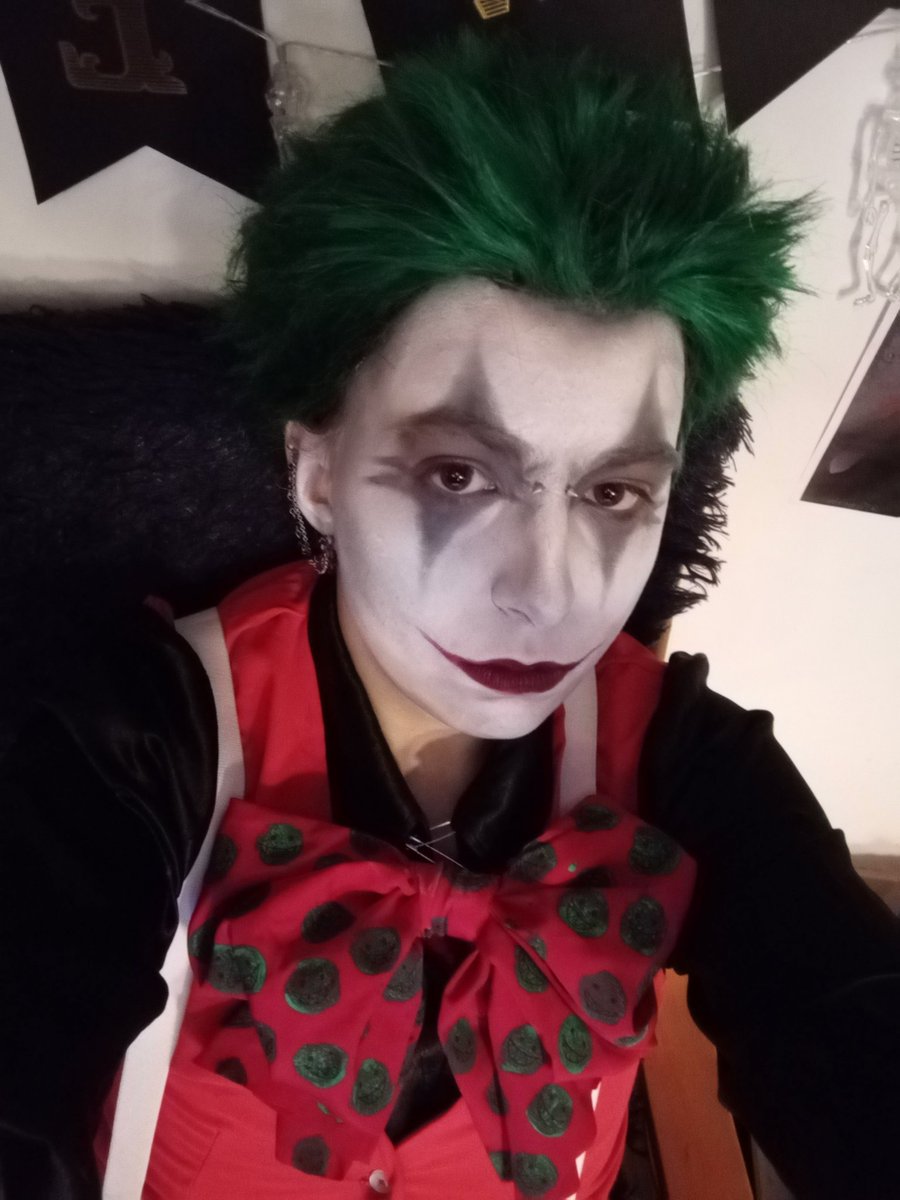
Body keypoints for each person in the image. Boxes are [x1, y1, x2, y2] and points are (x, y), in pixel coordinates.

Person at [2, 32, 899, 1200]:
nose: (549, 591)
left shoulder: (684, 757)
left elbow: (847, 1021)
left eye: (614, 492)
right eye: (460, 475)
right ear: (316, 471)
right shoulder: (138, 741)